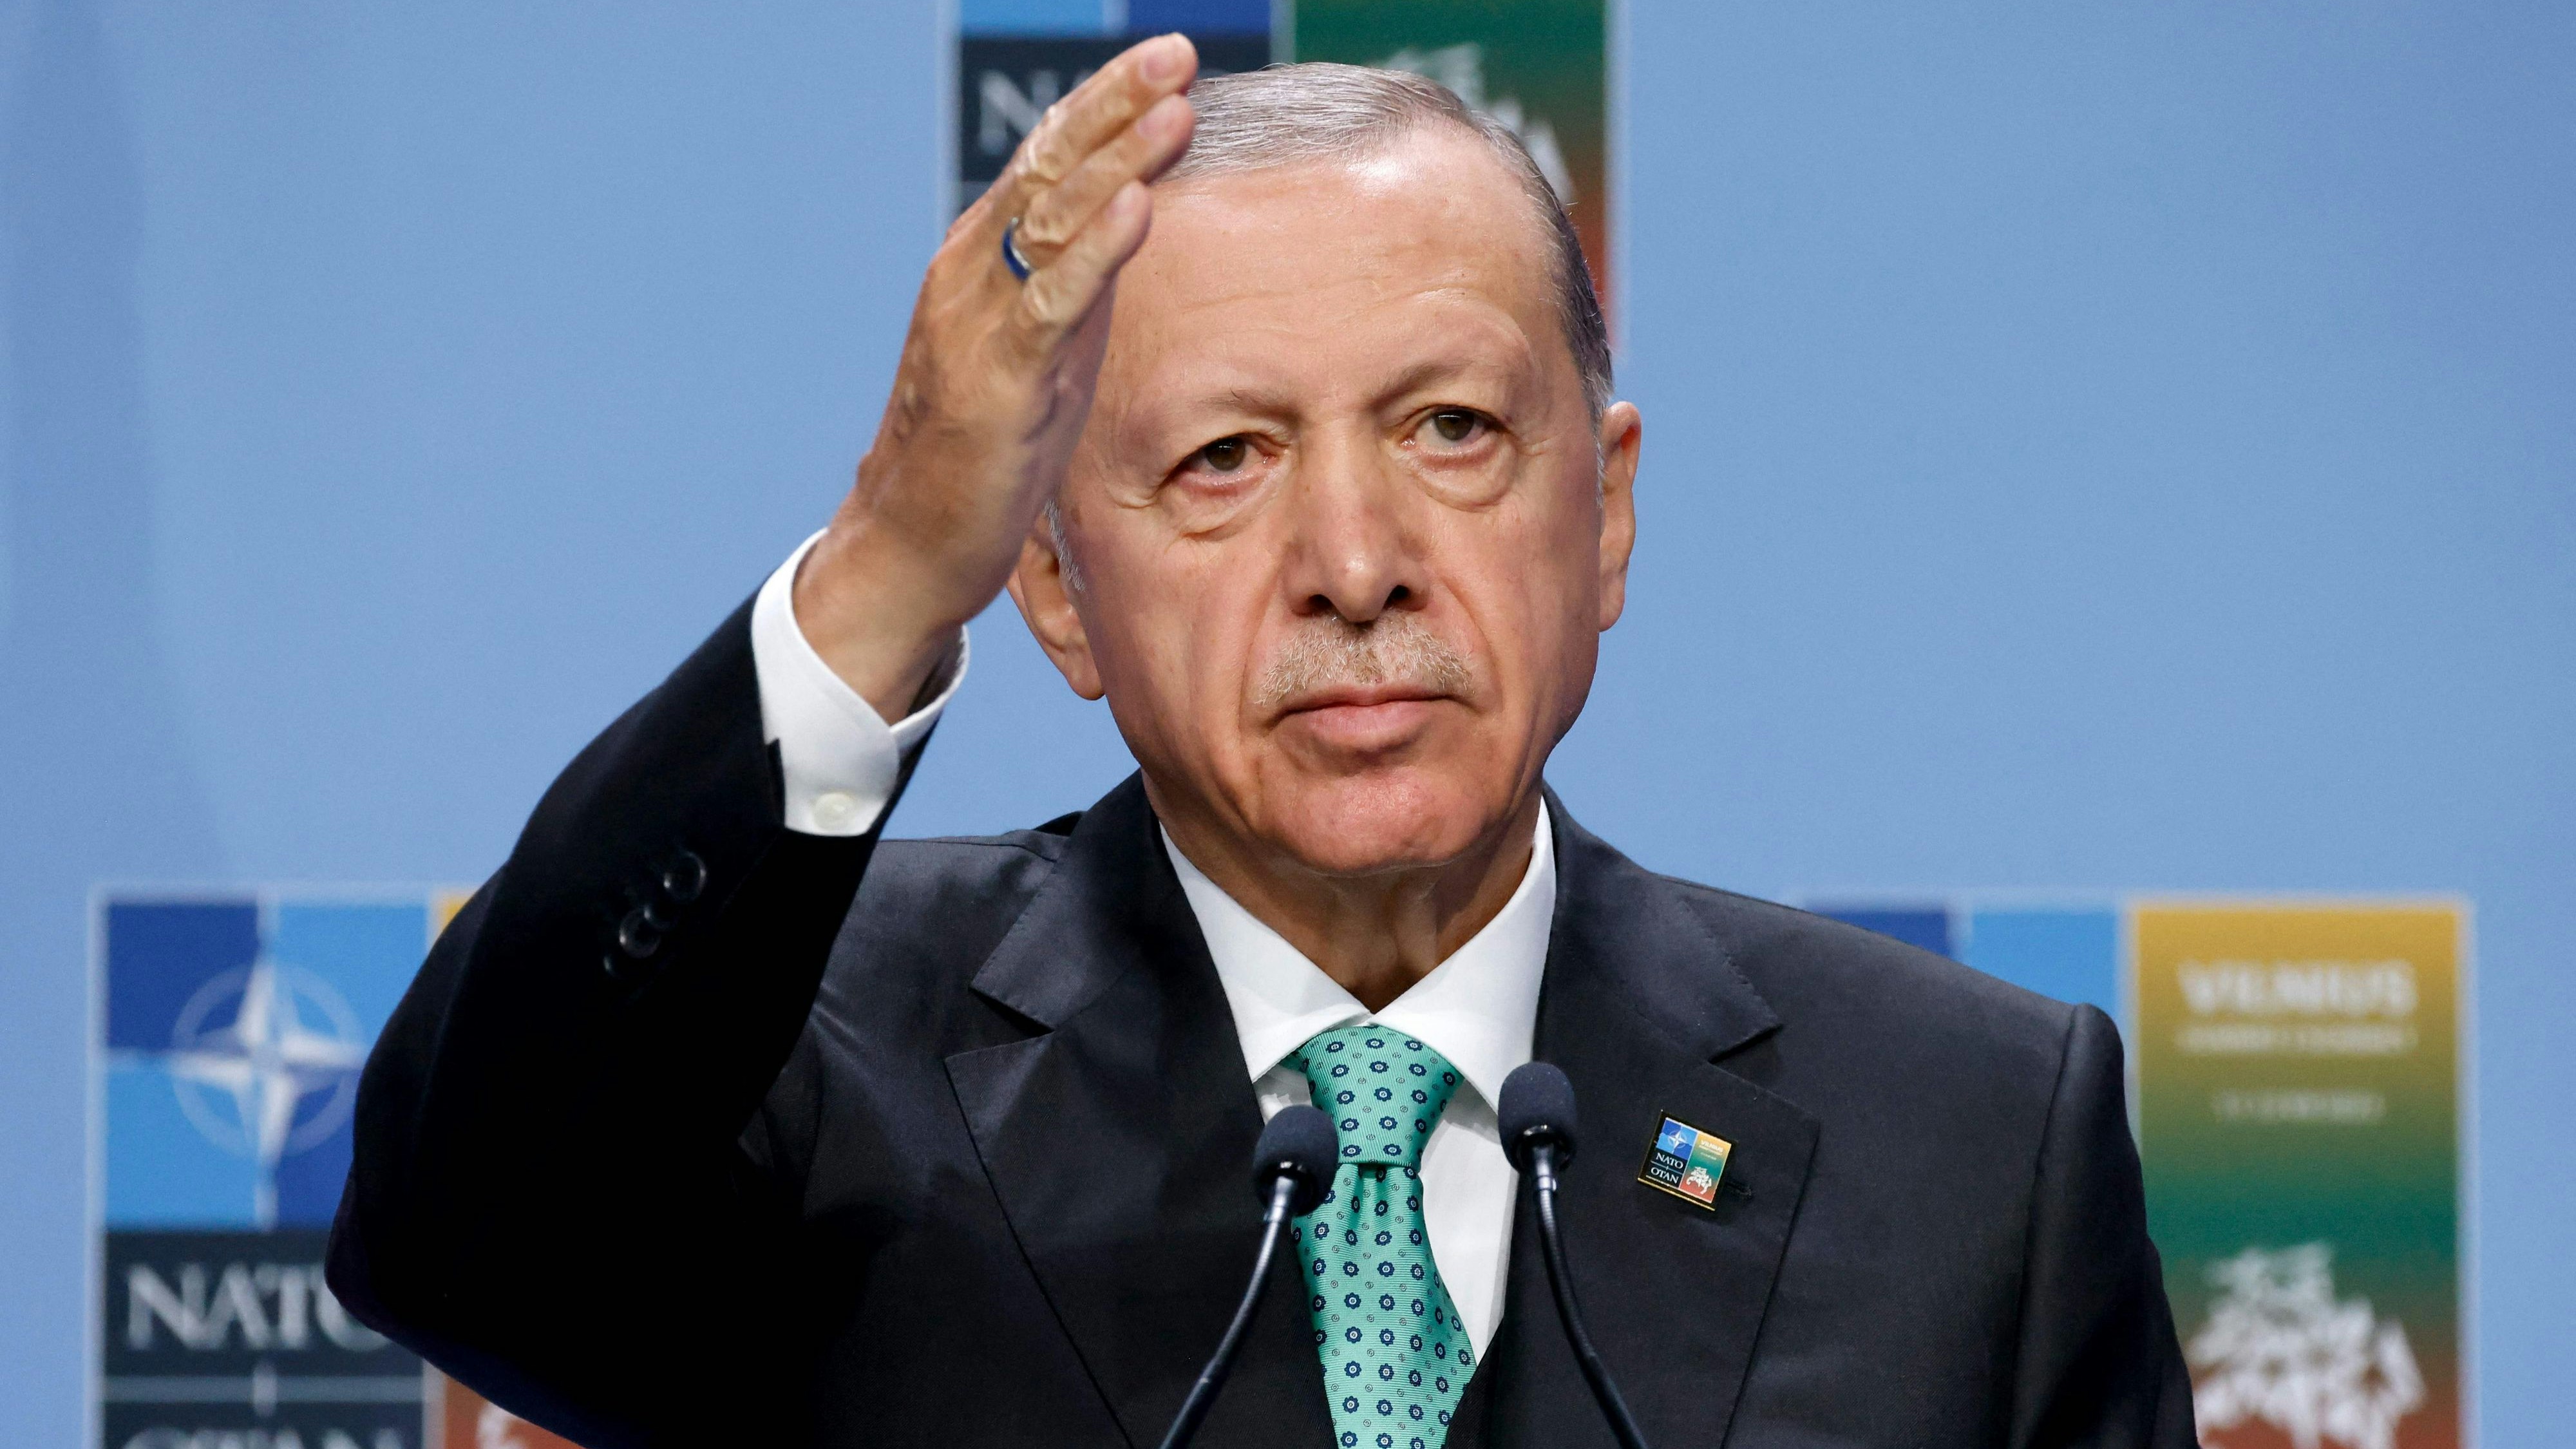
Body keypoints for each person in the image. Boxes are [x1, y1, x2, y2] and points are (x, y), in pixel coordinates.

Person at [327, 36, 2193, 1449]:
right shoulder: (820, 1071)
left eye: (1454, 428)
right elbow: (456, 1231)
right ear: (1054, 583)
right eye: (1225, 459)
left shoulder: (1968, 1143)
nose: (1359, 565)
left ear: (1604, 515)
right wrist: (892, 565)